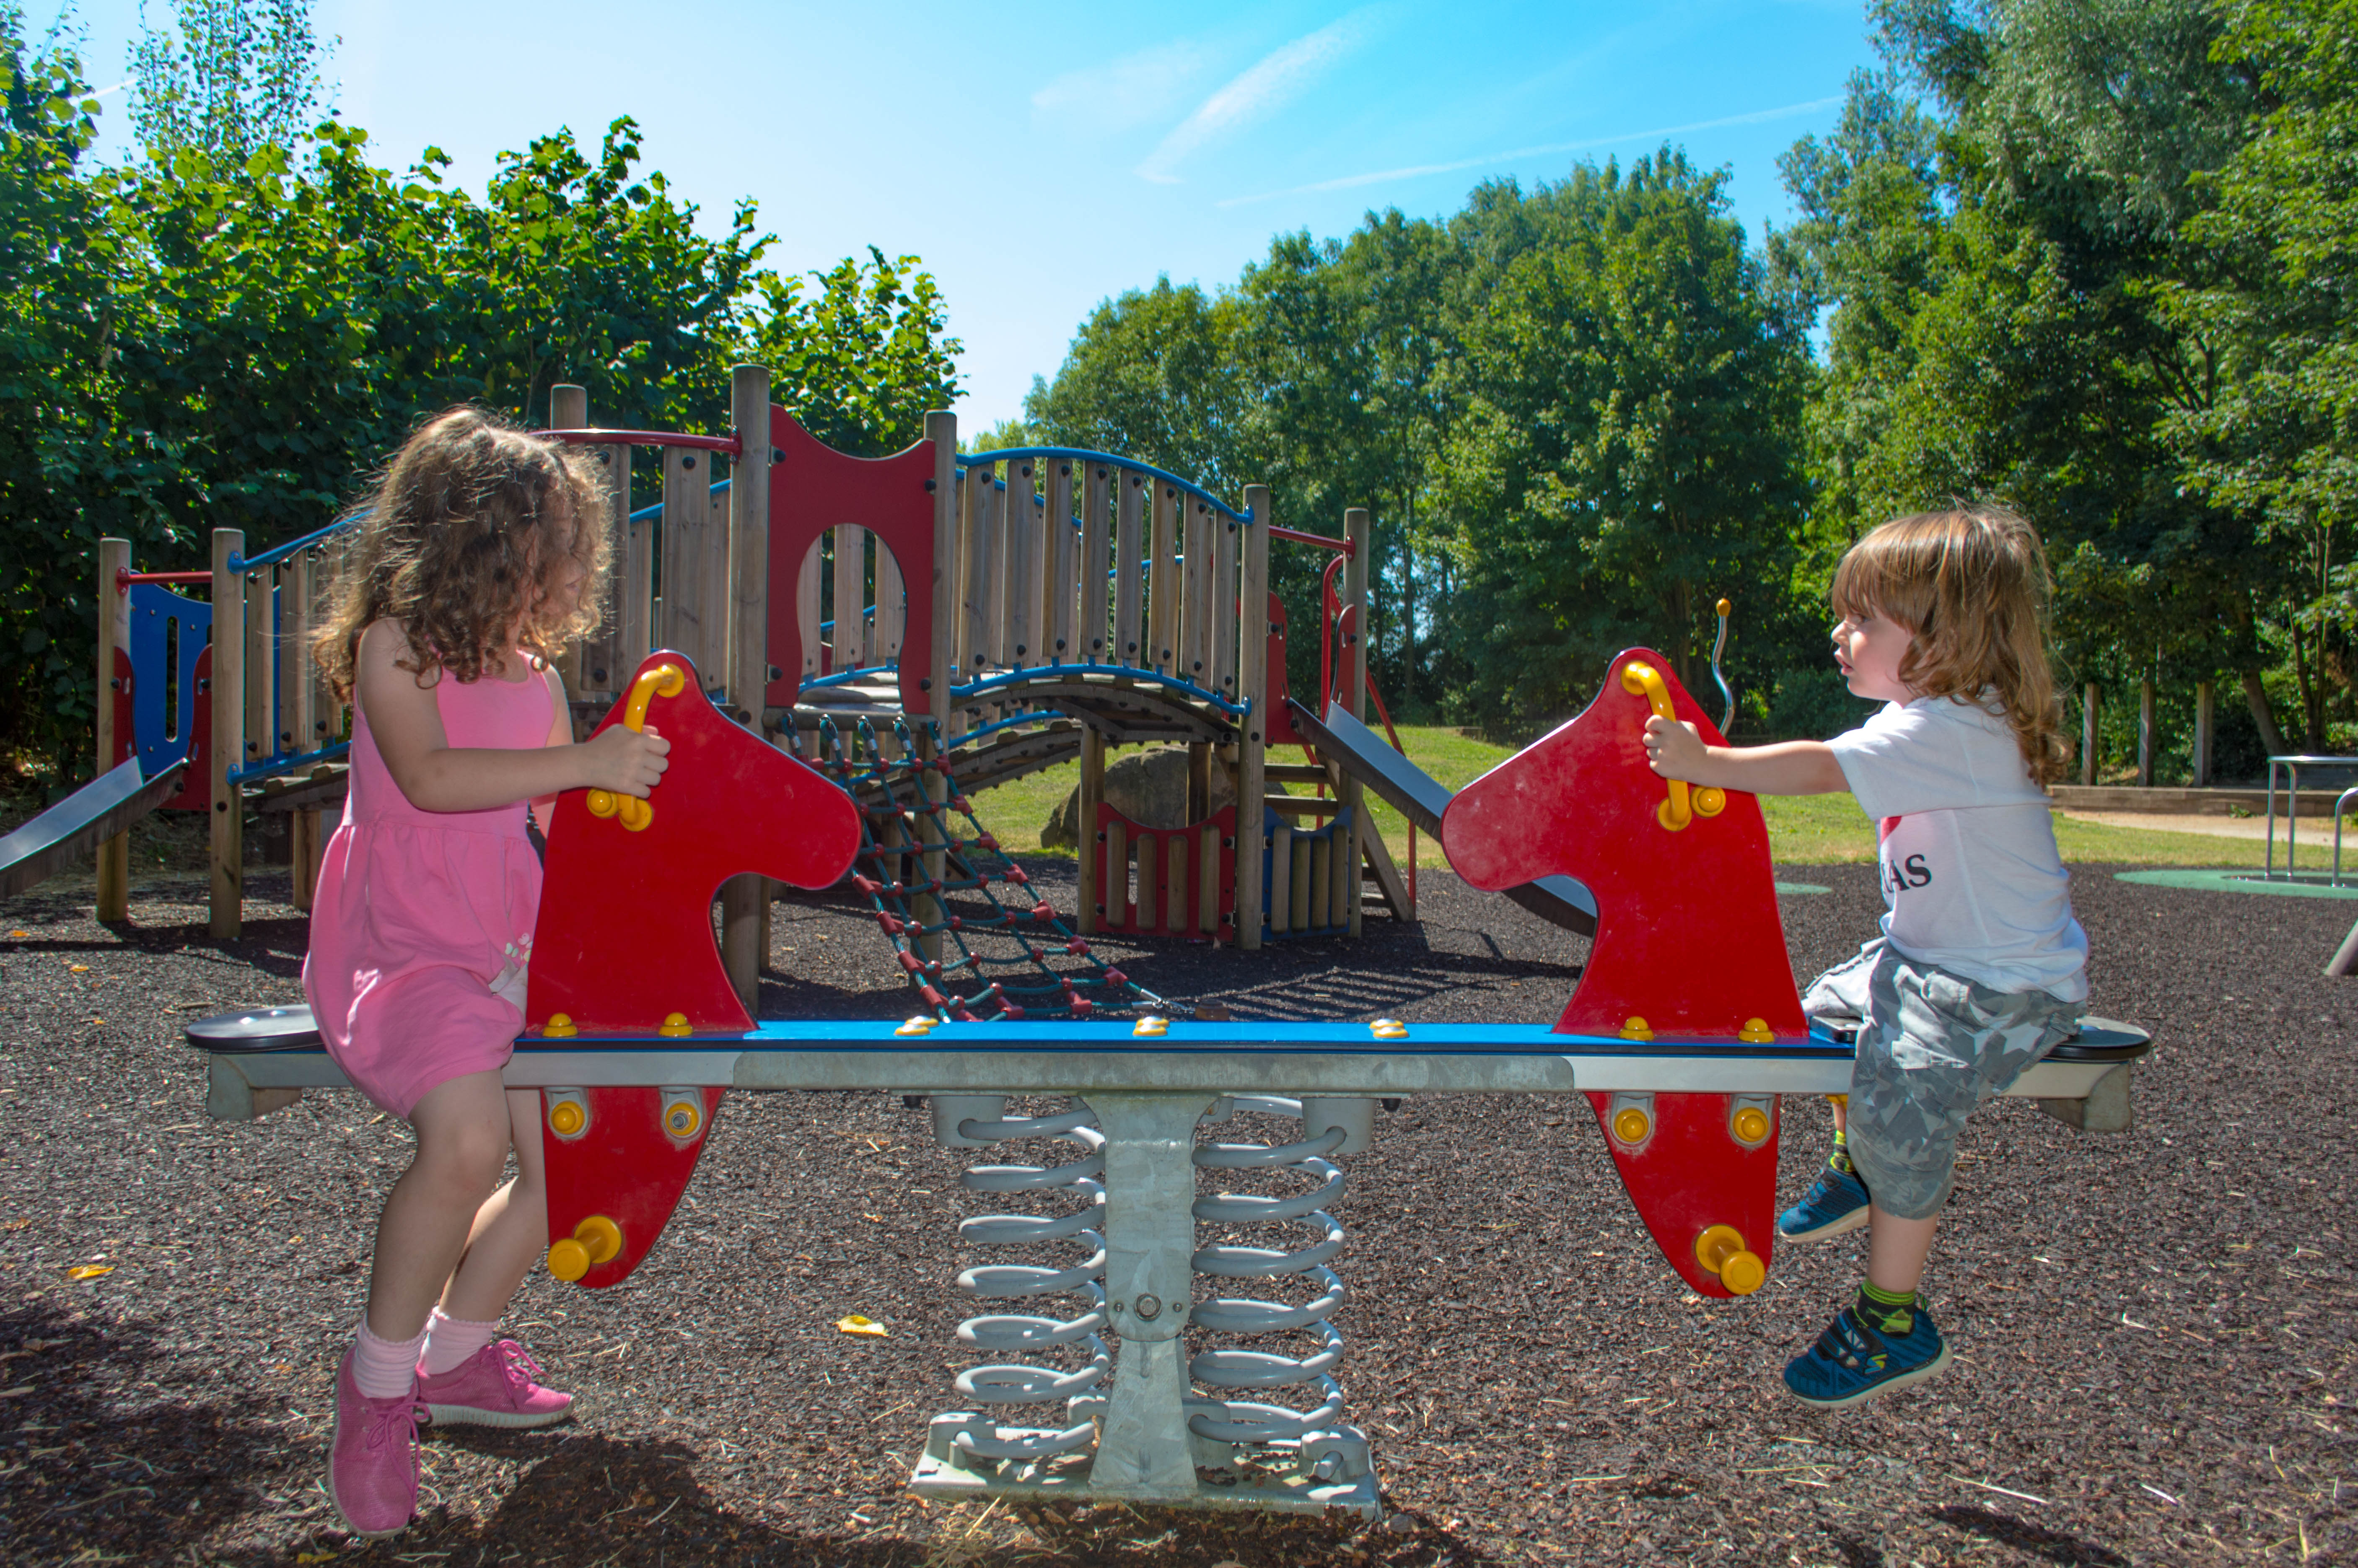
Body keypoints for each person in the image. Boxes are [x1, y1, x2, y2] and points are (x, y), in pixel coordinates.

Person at [303, 409, 670, 1536]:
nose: (568, 573)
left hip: (509, 946)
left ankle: (455, 1353)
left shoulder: (531, 667)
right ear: (485, 544)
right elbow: (431, 777)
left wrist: (638, 828)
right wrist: (585, 758)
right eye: (554, 547)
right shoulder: (395, 645)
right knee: (467, 1142)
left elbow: (563, 818)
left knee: (570, 1152)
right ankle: (376, 1390)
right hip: (408, 949)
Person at [1641, 505, 2087, 1408]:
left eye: (1863, 621)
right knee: (1809, 1011)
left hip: (2000, 987)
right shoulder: (1933, 718)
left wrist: (1704, 762)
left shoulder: (1952, 726)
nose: (1839, 636)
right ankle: (1857, 1164)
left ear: (1941, 637)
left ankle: (1891, 1316)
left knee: (1902, 1100)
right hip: (1926, 959)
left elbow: (1815, 767)